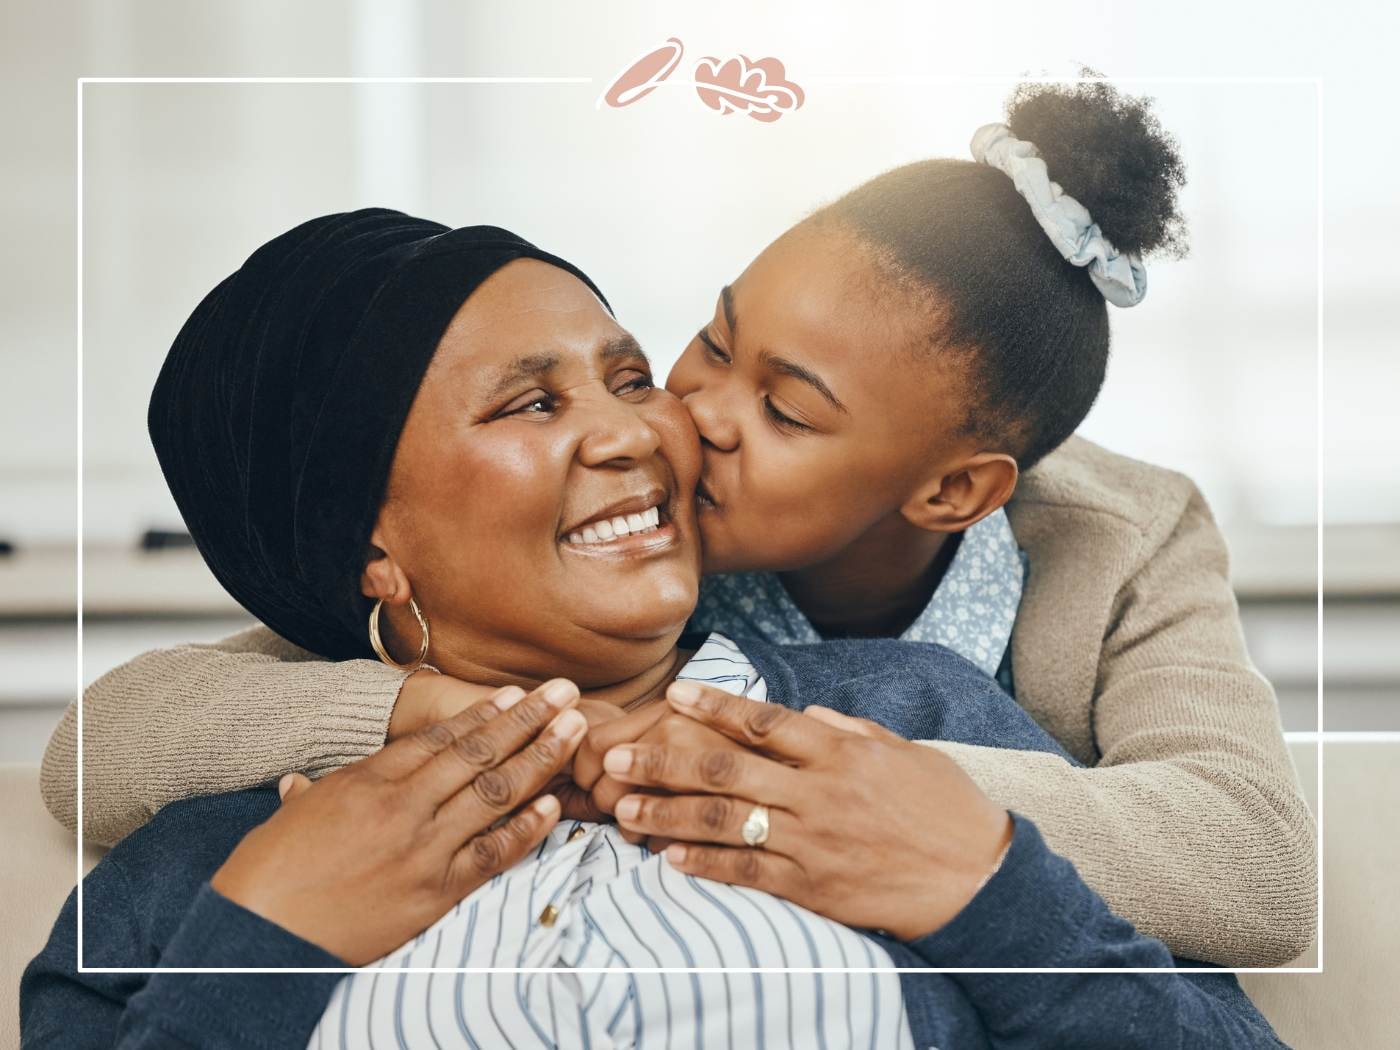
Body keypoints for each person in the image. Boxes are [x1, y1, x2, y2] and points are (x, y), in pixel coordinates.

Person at [43, 80, 1314, 967]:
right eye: (708, 338)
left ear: (948, 493)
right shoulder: (635, 523)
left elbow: (1250, 862)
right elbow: (107, 744)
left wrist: (872, 799)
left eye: (785, 408)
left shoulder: (1117, 537)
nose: (687, 417)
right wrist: (425, 717)